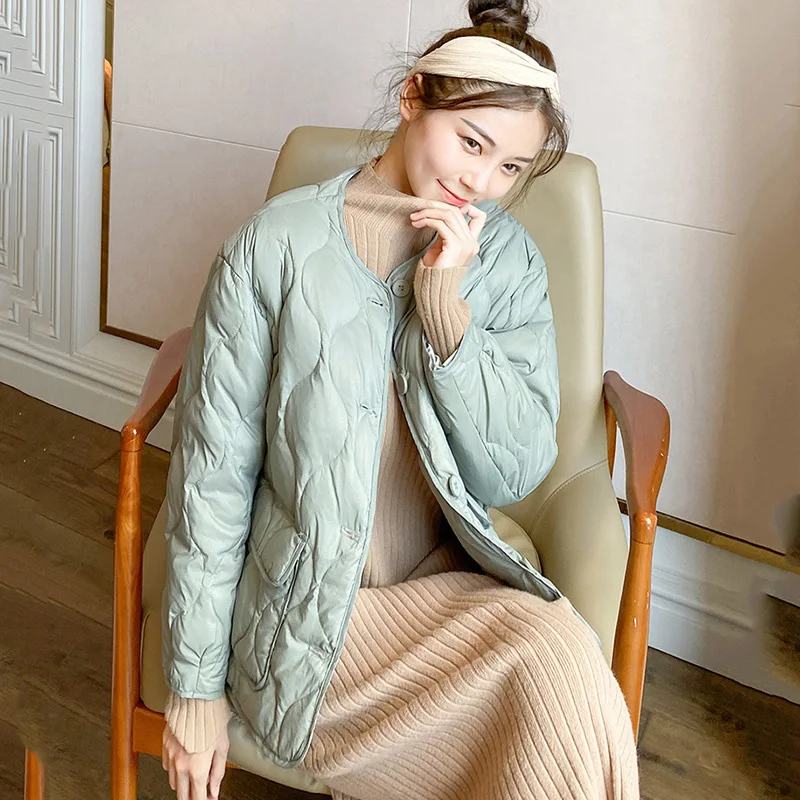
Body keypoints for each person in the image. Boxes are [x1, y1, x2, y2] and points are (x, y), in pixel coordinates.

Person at [159, 1, 640, 798]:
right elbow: (212, 481)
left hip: (445, 588)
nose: (481, 183)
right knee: (560, 694)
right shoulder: (273, 247)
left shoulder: (508, 263)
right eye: (472, 142)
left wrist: (447, 311)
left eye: (511, 168)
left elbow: (516, 469)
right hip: (315, 625)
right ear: (414, 97)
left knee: (568, 678)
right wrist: (194, 687)